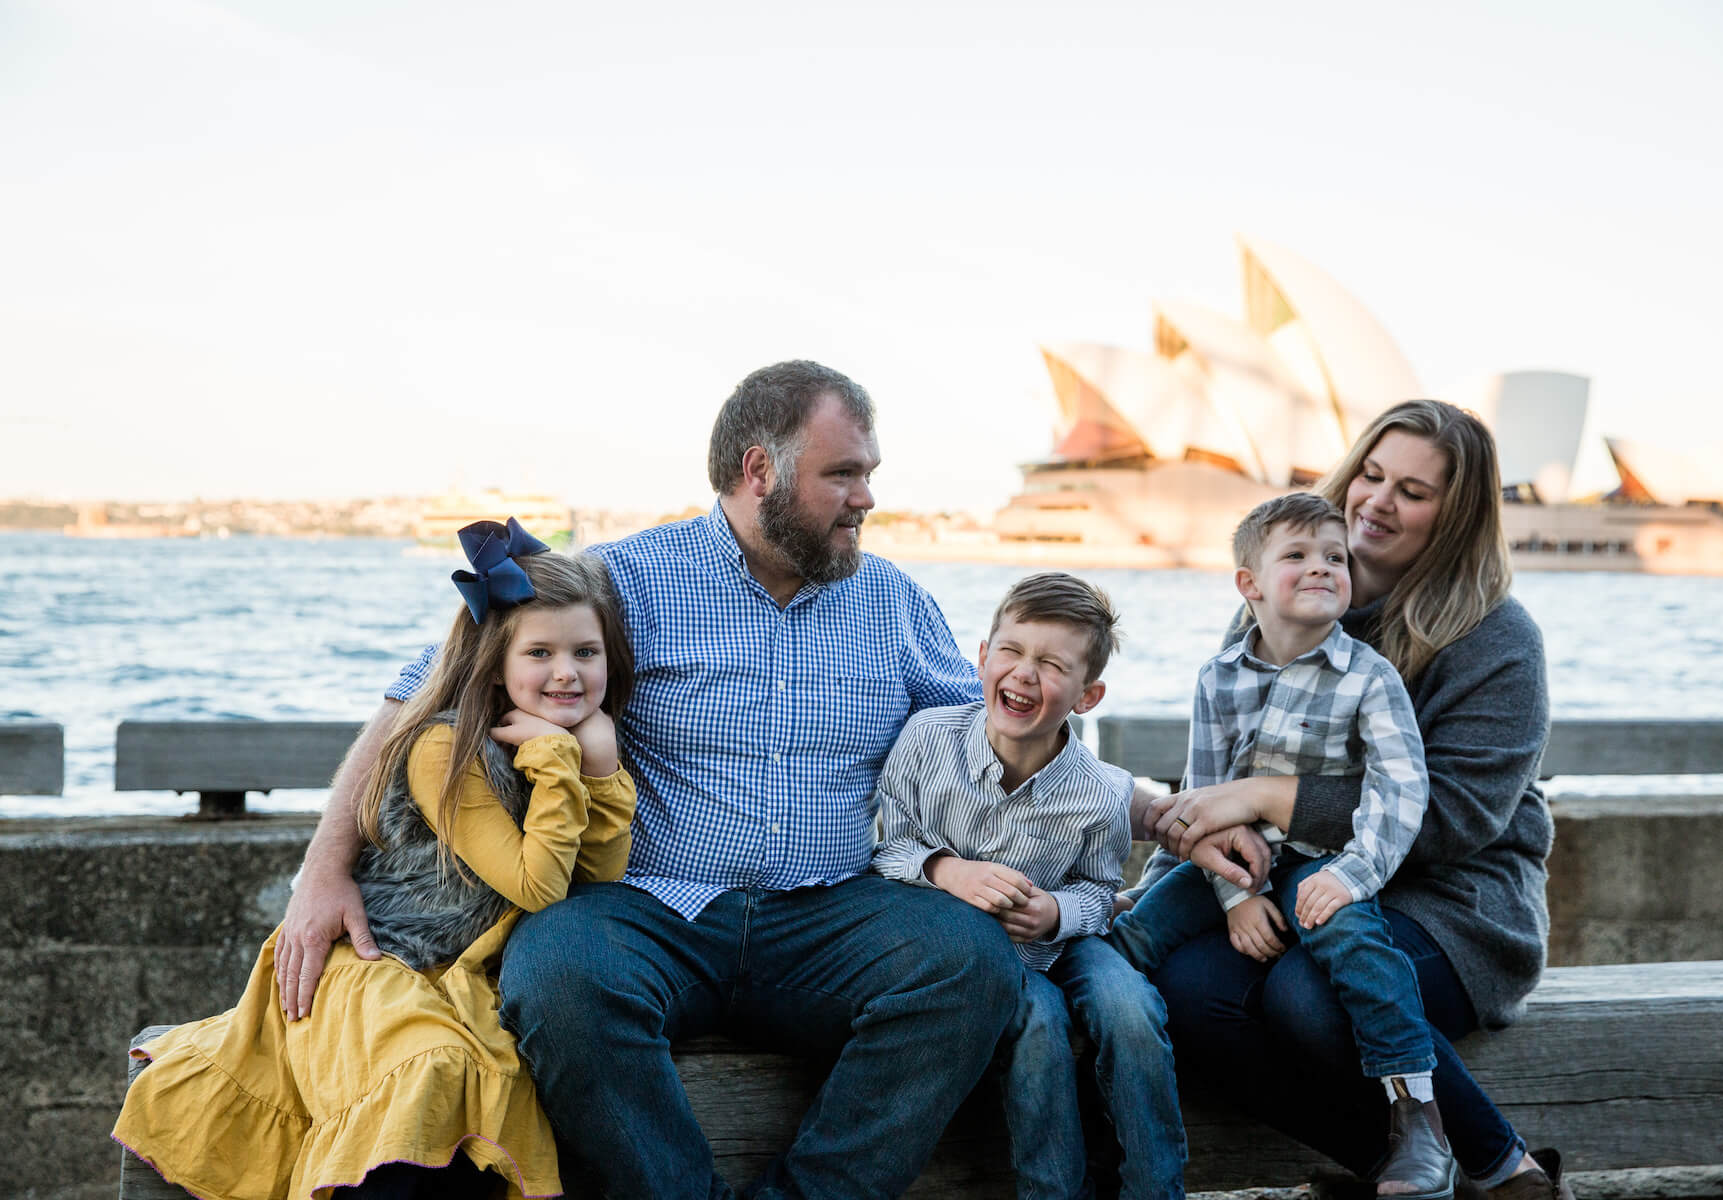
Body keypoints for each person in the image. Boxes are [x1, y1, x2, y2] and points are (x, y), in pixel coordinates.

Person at [273, 361, 1268, 1200]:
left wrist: (1169, 820)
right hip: (652, 907)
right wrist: (326, 872)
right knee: (557, 976)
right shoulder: (625, 578)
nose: (867, 498)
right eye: (846, 474)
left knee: (967, 962)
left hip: (838, 912)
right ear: (761, 471)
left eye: (869, 474)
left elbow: (1019, 727)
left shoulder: (889, 601)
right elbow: (423, 695)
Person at [113, 522, 638, 1199]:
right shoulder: (446, 750)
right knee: (431, 1070)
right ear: (496, 662)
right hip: (380, 960)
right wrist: (563, 759)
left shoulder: (556, 746)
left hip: (463, 973)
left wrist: (600, 765)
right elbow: (540, 887)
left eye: (585, 652)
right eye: (540, 651)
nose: (566, 672)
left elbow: (594, 885)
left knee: (497, 1079)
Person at [1130, 400, 1571, 1200]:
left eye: (1413, 491)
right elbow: (1214, 770)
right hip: (1287, 877)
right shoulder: (1283, 594)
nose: (1377, 501)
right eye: (1370, 474)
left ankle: (1512, 1177)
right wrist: (1207, 867)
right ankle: (1392, 1171)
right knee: (1188, 993)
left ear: (1455, 516)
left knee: (1312, 993)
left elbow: (1455, 817)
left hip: (1451, 898)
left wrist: (1269, 794)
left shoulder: (1498, 638)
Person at [1106, 492, 1454, 1197]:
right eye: (1296, 555)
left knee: (1355, 942)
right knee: (1137, 933)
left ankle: (1418, 1118)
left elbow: (1401, 791)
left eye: (1334, 556)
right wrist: (1236, 898)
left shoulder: (1369, 678)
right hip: (1234, 864)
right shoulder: (1219, 676)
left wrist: (1354, 877)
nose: (1321, 567)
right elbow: (1204, 799)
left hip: (1325, 861)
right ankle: (1087, 1051)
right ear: (1250, 584)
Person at [873, 572, 1185, 1200]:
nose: (1022, 673)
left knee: (1129, 1006)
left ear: (1087, 695)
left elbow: (1101, 894)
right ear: (982, 657)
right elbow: (883, 850)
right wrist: (944, 869)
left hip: (1058, 940)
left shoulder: (1101, 791)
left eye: (1050, 664)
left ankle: (1155, 1187)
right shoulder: (927, 738)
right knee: (1038, 1023)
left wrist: (1055, 913)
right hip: (970, 952)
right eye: (1011, 652)